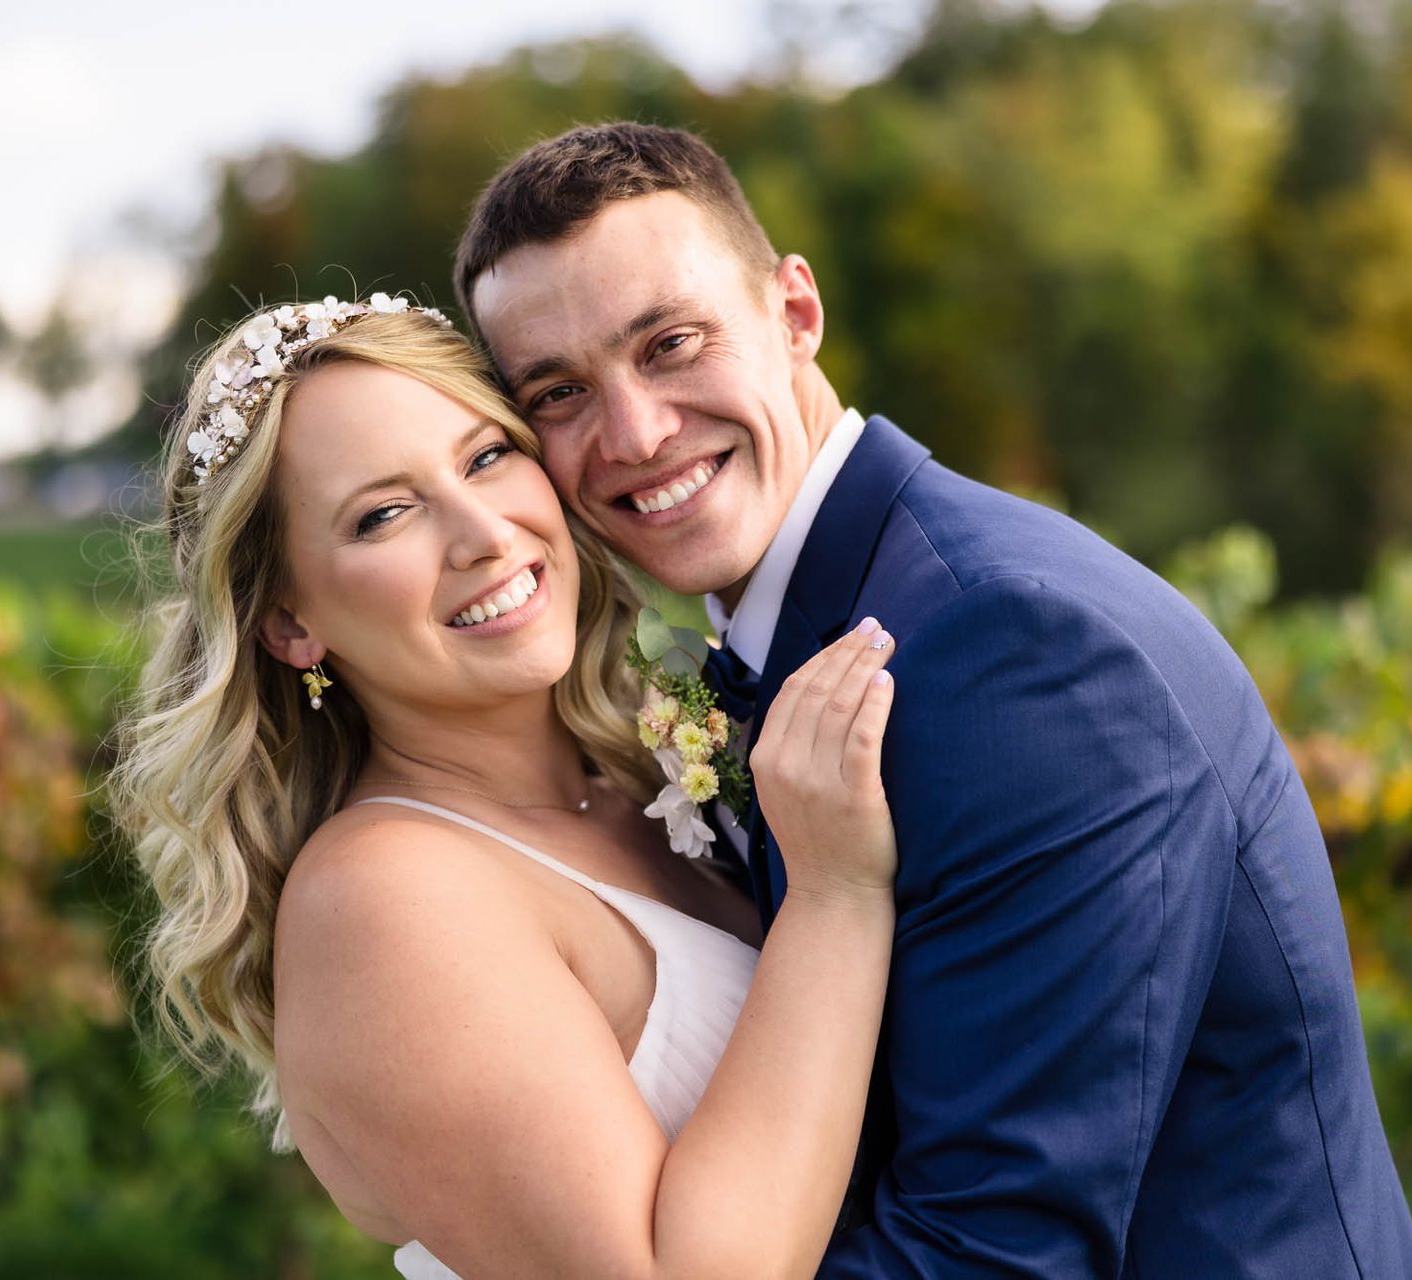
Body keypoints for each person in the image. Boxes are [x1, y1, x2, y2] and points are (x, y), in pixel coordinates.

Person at [456, 123, 1412, 1277]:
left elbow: (995, 1249)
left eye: (671, 342)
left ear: (795, 314)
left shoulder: (1006, 649)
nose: (634, 432)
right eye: (560, 392)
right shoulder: (835, 616)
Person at [112, 294, 907, 1279]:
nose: (484, 530)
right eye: (383, 513)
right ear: (289, 623)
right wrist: (836, 895)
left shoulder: (641, 769)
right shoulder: (384, 899)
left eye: (486, 455)